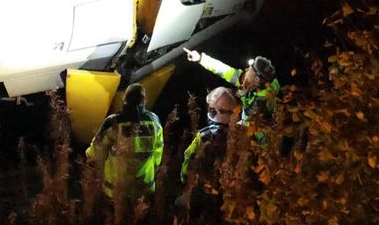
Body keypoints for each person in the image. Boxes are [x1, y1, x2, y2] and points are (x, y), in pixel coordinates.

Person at [86, 83, 164, 203]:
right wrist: (155, 166)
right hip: (144, 188)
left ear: (124, 98)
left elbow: (96, 150)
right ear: (144, 100)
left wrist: (90, 157)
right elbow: (158, 150)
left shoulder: (112, 122)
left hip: (115, 189)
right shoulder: (154, 121)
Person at [177, 87, 240, 220]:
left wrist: (184, 180)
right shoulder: (240, 136)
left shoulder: (204, 135)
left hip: (202, 189)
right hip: (227, 194)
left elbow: (189, 158)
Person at [183, 48, 280, 123]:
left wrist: (242, 95)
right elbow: (223, 70)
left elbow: (248, 118)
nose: (246, 69)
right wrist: (200, 58)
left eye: (250, 70)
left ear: (257, 79)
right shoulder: (247, 81)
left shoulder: (264, 99)